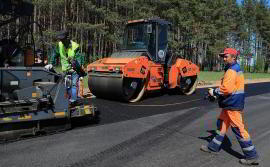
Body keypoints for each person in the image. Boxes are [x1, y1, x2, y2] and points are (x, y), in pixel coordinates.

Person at [200, 48, 259, 166]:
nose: (224, 58)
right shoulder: (234, 68)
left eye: (226, 56)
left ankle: (251, 155)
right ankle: (213, 147)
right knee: (221, 124)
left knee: (238, 129)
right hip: (230, 103)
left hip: (233, 104)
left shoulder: (232, 70)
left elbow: (227, 88)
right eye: (223, 56)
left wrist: (214, 92)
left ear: (233, 57)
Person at [45, 30, 83, 106]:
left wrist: (76, 64)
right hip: (66, 70)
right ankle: (69, 99)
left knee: (74, 85)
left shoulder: (75, 46)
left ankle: (73, 101)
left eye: (63, 39)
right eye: (60, 39)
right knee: (67, 85)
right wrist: (51, 63)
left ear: (67, 38)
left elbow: (79, 59)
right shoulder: (59, 45)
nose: (61, 41)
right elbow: (54, 54)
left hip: (74, 70)